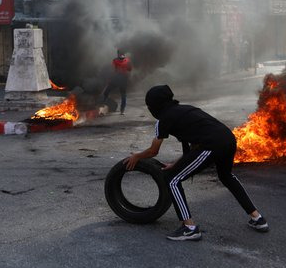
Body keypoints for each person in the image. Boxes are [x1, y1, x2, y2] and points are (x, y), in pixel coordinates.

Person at [124, 85, 269, 241]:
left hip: (212, 145)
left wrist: (137, 156)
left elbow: (153, 151)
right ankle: (258, 218)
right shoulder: (185, 110)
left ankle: (189, 228)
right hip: (228, 139)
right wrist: (177, 164)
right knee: (226, 176)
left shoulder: (164, 119)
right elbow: (192, 146)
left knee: (172, 180)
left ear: (154, 105)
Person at [103, 50, 132, 114]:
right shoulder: (127, 60)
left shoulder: (115, 60)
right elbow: (130, 69)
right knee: (123, 94)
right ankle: (122, 110)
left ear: (118, 53)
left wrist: (110, 78)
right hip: (124, 79)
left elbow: (112, 70)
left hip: (116, 78)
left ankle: (103, 105)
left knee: (106, 92)